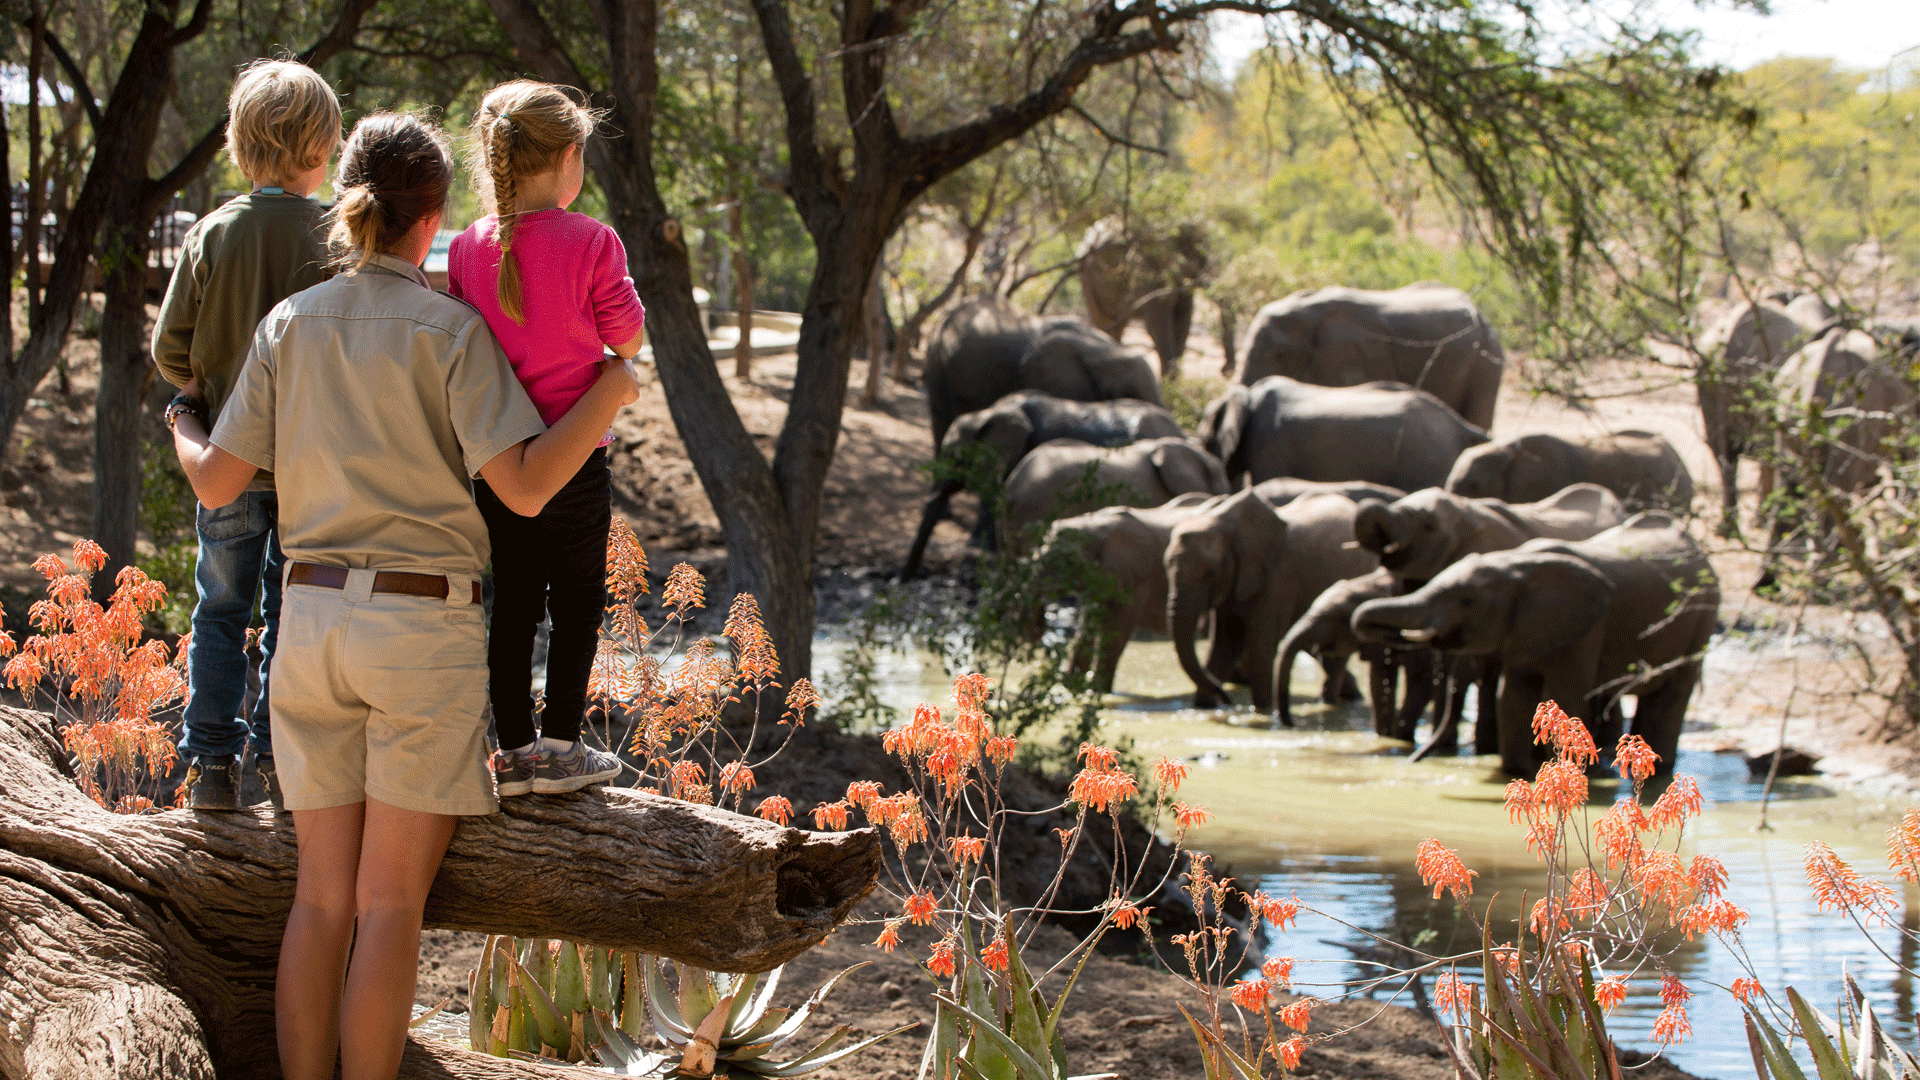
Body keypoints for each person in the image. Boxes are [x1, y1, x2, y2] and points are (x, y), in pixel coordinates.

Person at [168, 111, 640, 1080]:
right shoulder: (450, 332)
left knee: (320, 903)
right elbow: (524, 486)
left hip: (310, 627)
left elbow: (217, 482)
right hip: (419, 629)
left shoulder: (288, 324)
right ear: (434, 224)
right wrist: (611, 389)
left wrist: (181, 420)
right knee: (389, 908)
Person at [448, 80, 646, 796]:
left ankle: (512, 753)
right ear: (569, 157)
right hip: (576, 458)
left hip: (498, 459)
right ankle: (562, 747)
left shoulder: (469, 246)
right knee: (578, 601)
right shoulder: (593, 239)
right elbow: (627, 336)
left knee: (514, 601)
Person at [153, 59, 342, 810]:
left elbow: (172, 351)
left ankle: (209, 768)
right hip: (310, 469)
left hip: (227, 456)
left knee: (220, 611)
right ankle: (274, 760)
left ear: (238, 145)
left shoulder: (215, 232)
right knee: (294, 612)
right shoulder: (334, 234)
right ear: (323, 150)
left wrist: (199, 384)